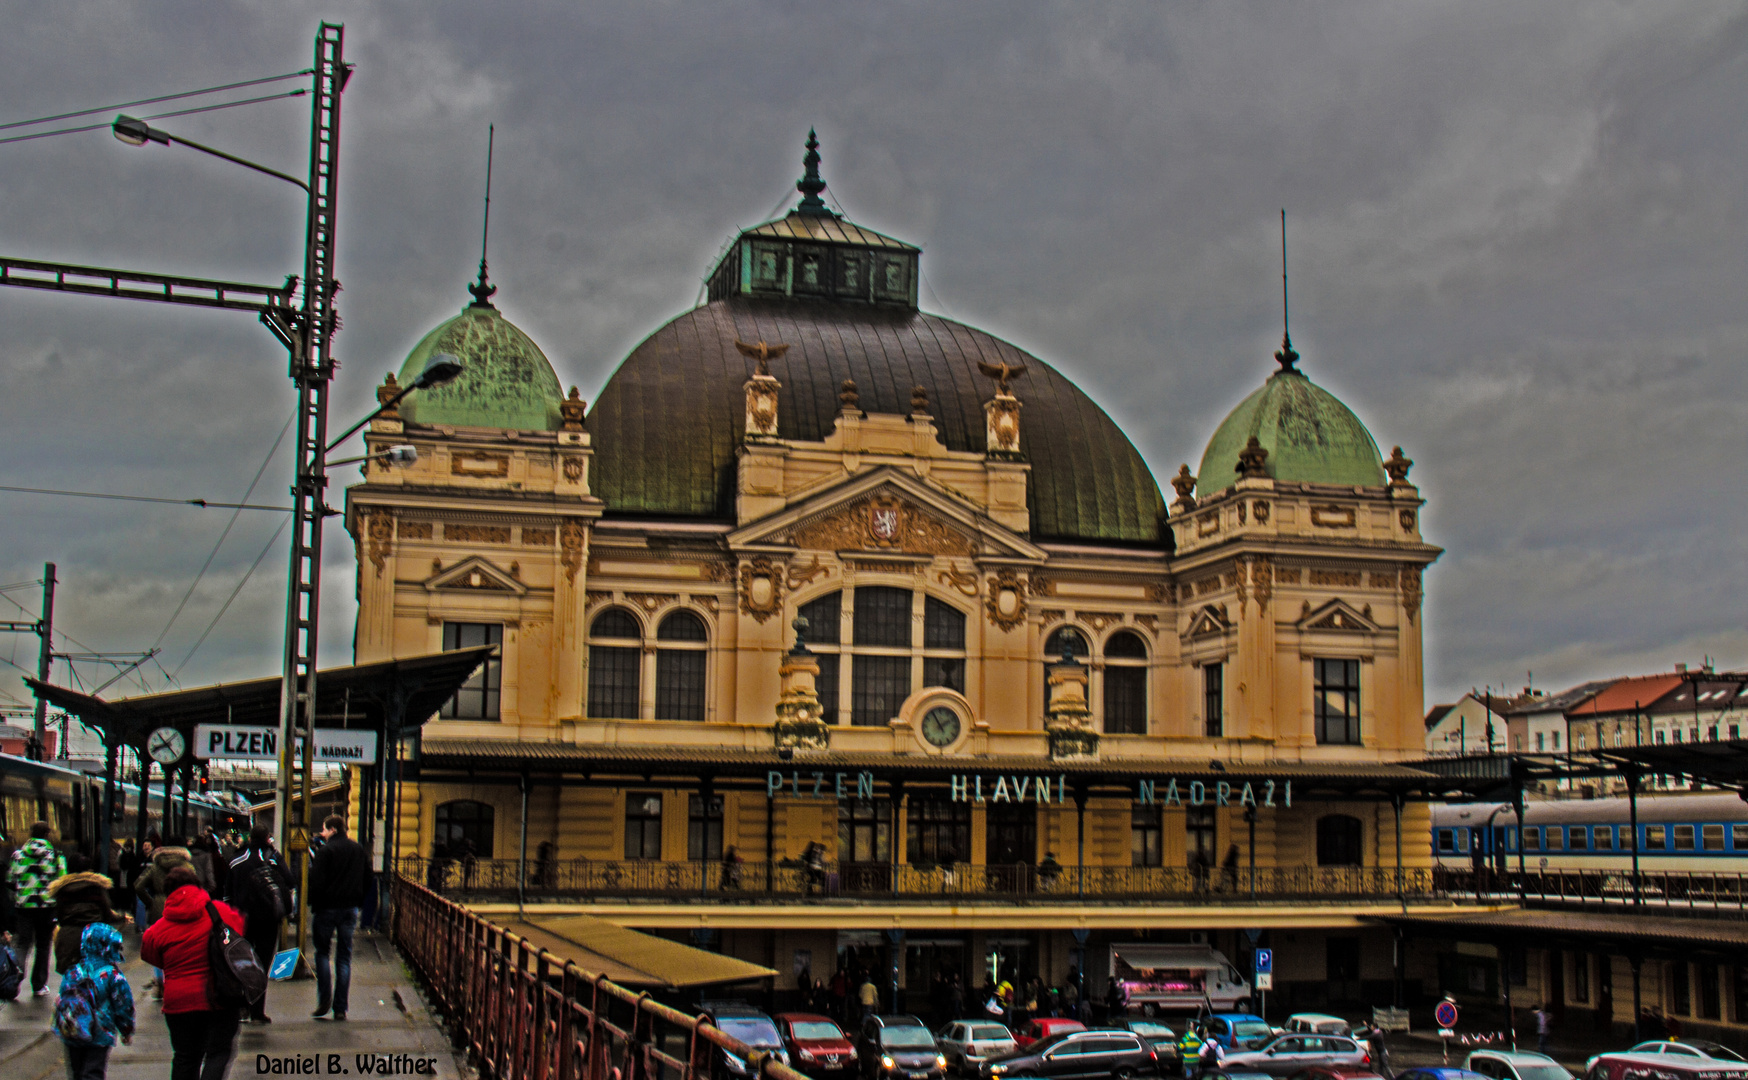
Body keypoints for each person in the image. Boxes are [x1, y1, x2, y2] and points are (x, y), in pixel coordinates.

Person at [141, 865, 243, 1080]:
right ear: (198, 885)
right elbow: (238, 935)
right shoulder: (220, 912)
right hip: (217, 996)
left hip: (178, 1003)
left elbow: (149, 954)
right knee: (219, 1051)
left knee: (185, 1057)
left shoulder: (159, 929)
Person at [226, 828, 292, 1024]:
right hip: (268, 919)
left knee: (242, 961)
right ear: (266, 838)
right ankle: (257, 1011)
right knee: (262, 963)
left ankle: (241, 1006)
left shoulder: (236, 860)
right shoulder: (273, 858)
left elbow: (227, 891)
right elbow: (290, 880)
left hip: (242, 919)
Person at [53, 923, 134, 1080]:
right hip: (100, 1033)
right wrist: (126, 1029)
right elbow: (123, 1004)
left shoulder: (73, 971)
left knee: (77, 1072)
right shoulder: (113, 975)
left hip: (73, 1030)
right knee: (93, 1072)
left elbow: (63, 995)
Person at [308, 814, 369, 1021]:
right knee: (344, 957)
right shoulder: (358, 849)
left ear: (333, 829)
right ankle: (340, 1007)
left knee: (322, 953)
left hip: (326, 909)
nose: (322, 834)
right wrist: (359, 901)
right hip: (349, 909)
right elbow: (368, 878)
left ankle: (324, 999)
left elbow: (315, 881)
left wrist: (314, 904)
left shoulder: (326, 851)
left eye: (324, 830)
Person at [8, 821, 66, 996]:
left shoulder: (18, 855)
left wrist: (24, 892)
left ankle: (14, 978)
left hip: (24, 906)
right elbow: (61, 882)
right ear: (47, 835)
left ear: (31, 834)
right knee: (43, 944)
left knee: (22, 943)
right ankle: (39, 985)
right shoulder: (55, 855)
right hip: (46, 907)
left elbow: (10, 880)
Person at [49, 870, 124, 975]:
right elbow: (107, 915)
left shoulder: (61, 890)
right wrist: (121, 918)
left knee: (70, 975)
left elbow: (60, 917)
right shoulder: (97, 888)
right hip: (94, 936)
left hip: (69, 937)